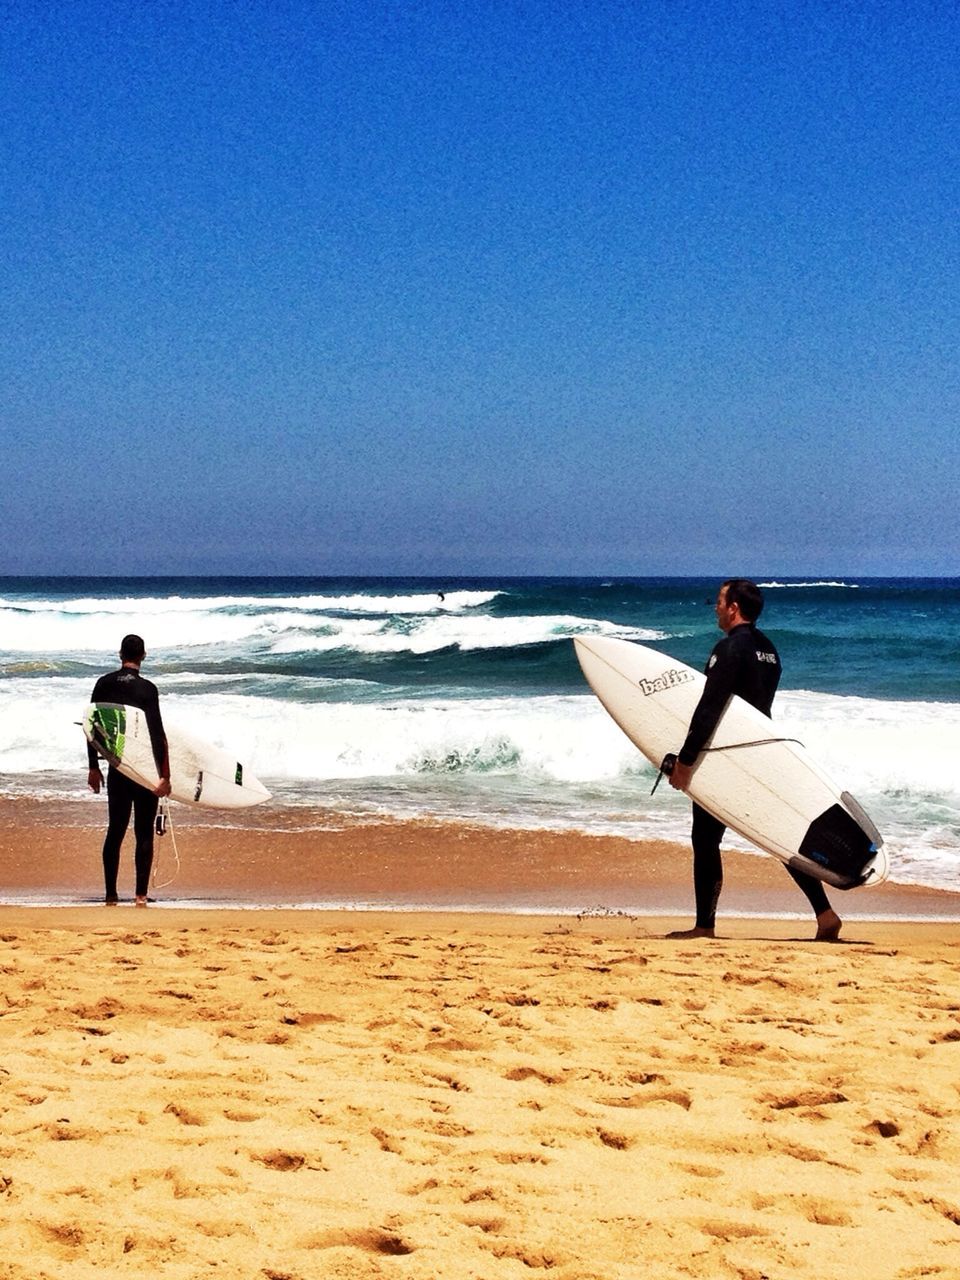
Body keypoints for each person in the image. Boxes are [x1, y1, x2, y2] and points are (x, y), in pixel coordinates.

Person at [667, 579, 842, 942]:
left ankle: (704, 926)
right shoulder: (769, 650)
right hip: (764, 753)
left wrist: (686, 760)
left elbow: (711, 708)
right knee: (779, 837)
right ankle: (825, 915)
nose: (714, 607)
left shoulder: (729, 649)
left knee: (705, 839)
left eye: (718, 601)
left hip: (730, 760)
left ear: (733, 608)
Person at [86, 635, 171, 906]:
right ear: (143, 655)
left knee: (116, 830)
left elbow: (92, 727)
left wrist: (93, 767)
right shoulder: (148, 689)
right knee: (143, 831)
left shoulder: (104, 683)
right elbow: (157, 735)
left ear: (119, 654)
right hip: (144, 769)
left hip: (119, 767)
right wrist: (164, 776)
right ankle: (140, 895)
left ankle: (111, 895)